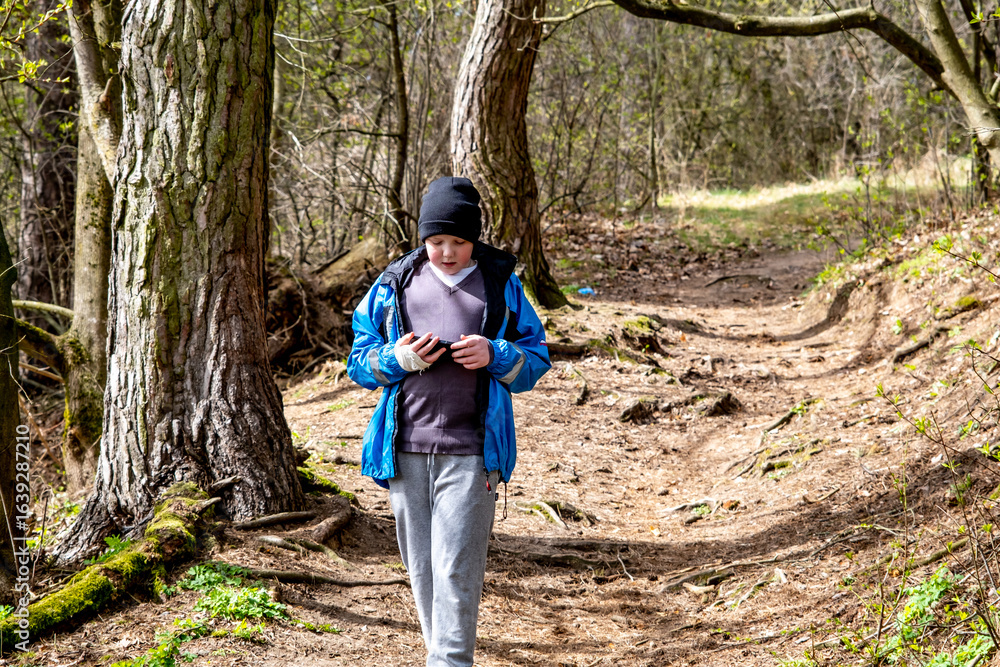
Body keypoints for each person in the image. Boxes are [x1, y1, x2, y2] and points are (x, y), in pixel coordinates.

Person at [347, 176, 551, 667]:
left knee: (457, 567)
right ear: (422, 239)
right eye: (436, 241)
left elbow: (535, 360)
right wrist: (396, 359)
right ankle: (441, 657)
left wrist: (495, 354)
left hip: (474, 449)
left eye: (457, 241)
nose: (446, 252)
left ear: (473, 239)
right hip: (404, 447)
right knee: (422, 569)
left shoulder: (501, 284)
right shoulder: (395, 283)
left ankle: (451, 662)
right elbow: (358, 361)